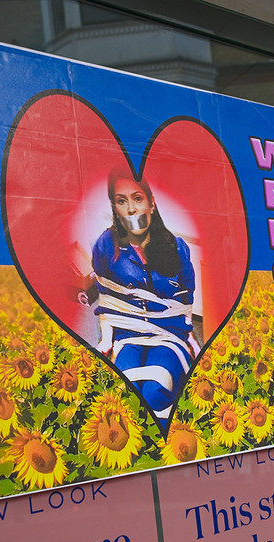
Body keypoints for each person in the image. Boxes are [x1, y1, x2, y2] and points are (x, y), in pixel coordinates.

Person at [80, 165, 197, 429]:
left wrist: (189, 335)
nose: (131, 208)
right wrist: (107, 337)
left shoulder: (177, 248)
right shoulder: (106, 245)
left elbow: (186, 297)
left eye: (137, 198)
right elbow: (106, 295)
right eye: (122, 201)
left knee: (155, 392)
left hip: (168, 334)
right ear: (115, 209)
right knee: (128, 395)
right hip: (127, 335)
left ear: (151, 204)